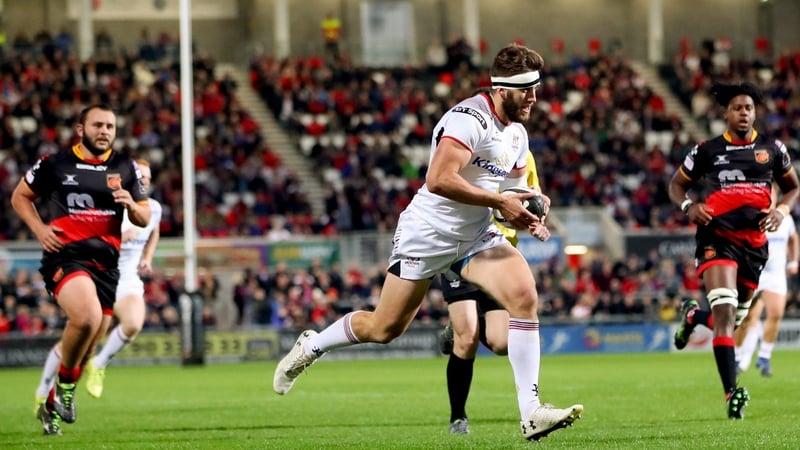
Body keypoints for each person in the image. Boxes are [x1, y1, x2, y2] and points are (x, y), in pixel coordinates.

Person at [273, 43, 583, 442]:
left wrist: (528, 214)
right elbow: (439, 179)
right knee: (384, 328)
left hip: (474, 236)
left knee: (524, 293)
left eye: (536, 88)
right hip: (428, 233)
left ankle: (531, 412)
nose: (534, 98)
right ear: (502, 90)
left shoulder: (517, 136)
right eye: (527, 90)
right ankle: (313, 345)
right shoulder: (468, 118)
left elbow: (510, 196)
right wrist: (498, 201)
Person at [12, 104, 151, 435]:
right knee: (86, 317)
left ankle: (51, 409)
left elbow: (144, 218)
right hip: (66, 256)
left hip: (107, 266)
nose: (104, 131)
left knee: (88, 348)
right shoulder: (54, 163)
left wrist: (131, 204)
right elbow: (20, 196)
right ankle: (65, 391)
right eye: (98, 125)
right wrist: (40, 229)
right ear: (81, 129)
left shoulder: (125, 166)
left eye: (110, 127)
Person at [668, 82, 799, 419]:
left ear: (755, 113)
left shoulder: (773, 150)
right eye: (738, 108)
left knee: (734, 320)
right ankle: (731, 393)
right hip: (717, 239)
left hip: (754, 246)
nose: (744, 113)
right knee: (726, 313)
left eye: (749, 108)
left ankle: (694, 317)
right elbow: (676, 184)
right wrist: (688, 206)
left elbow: (793, 188)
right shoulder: (707, 150)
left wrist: (781, 211)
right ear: (725, 113)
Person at [32, 159, 162, 408]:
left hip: (126, 278)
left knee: (133, 323)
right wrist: (118, 238)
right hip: (97, 274)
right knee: (82, 344)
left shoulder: (152, 209)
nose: (143, 180)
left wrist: (147, 257)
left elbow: (154, 231)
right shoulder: (107, 204)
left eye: (147, 177)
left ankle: (99, 364)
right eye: (139, 176)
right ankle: (45, 387)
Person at [439, 149, 545, 435]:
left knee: (500, 343)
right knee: (468, 338)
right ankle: (458, 417)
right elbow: (444, 182)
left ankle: (458, 324)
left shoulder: (523, 154)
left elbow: (531, 197)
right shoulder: (470, 145)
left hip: (499, 252)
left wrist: (537, 220)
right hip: (461, 244)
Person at [734, 185, 798, 376]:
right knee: (744, 318)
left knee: (776, 313)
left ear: (776, 195)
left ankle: (764, 357)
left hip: (776, 274)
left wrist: (794, 261)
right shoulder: (750, 216)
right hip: (754, 272)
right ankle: (736, 357)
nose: (769, 196)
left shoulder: (785, 219)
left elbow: (793, 239)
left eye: (772, 193)